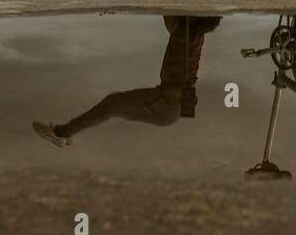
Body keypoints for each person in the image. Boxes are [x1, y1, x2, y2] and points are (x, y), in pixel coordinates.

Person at [32, 16, 221, 146]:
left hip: (166, 106)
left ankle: (61, 134)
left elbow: (173, 25)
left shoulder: (185, 35)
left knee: (111, 105)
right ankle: (68, 131)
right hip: (171, 107)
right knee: (113, 103)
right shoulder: (193, 35)